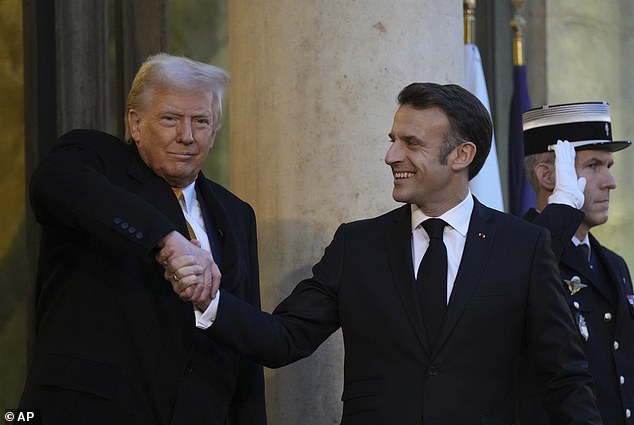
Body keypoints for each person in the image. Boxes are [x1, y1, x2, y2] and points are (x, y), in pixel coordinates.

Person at [163, 82, 602, 424]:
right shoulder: (358, 245)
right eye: (393, 140)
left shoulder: (523, 246)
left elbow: (564, 375)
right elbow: (284, 338)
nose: (391, 155)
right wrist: (210, 301)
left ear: (461, 155)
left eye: (411, 143)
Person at [19, 53, 266, 425]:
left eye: (201, 121)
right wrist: (167, 240)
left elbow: (243, 345)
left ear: (214, 131)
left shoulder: (236, 213)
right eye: (170, 119)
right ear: (135, 123)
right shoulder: (94, 160)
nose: (187, 136)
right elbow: (53, 184)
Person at [519, 101, 633, 425]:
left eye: (608, 165)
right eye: (594, 165)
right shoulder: (515, 252)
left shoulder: (614, 265)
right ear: (547, 175)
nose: (610, 181)